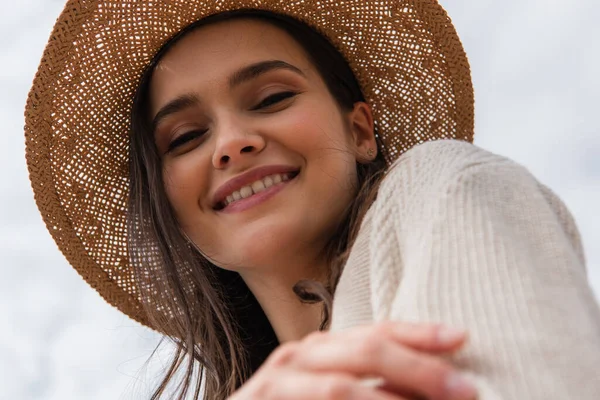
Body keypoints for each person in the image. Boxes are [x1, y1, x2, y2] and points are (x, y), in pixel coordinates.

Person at [24, 1, 600, 399]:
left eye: (271, 97)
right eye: (185, 138)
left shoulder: (441, 189)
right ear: (171, 209)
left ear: (360, 132)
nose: (231, 143)